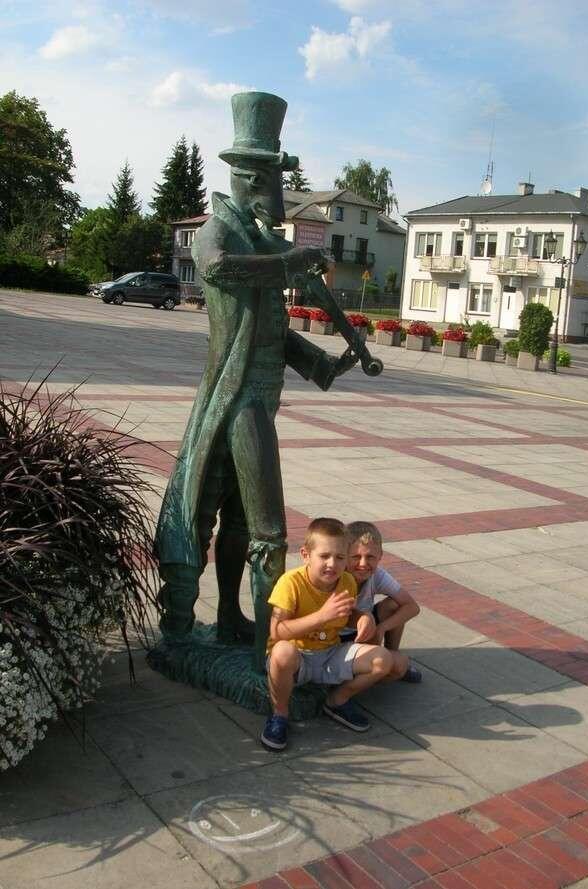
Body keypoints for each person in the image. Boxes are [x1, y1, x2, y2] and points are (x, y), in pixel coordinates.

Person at [153, 92, 358, 668]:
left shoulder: (260, 240)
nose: (279, 192)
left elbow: (272, 331)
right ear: (249, 178)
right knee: (266, 525)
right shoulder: (218, 232)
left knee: (240, 520)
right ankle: (273, 640)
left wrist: (321, 364)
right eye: (272, 179)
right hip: (237, 400)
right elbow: (216, 268)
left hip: (261, 397)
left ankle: (231, 618)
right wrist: (290, 262)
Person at [261, 517, 408, 751]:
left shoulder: (346, 580)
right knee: (282, 652)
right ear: (306, 555)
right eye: (324, 556)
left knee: (383, 660)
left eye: (340, 557)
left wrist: (361, 618)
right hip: (298, 656)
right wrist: (321, 616)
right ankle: (279, 714)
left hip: (330, 652)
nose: (332, 564)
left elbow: (346, 614)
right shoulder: (290, 583)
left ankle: (337, 700)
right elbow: (277, 631)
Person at [346, 521, 422, 684]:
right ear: (344, 555)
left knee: (395, 605)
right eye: (356, 557)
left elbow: (412, 607)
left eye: (370, 557)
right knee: (397, 666)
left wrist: (382, 628)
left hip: (366, 628)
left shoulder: (377, 575)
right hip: (337, 636)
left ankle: (390, 653)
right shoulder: (336, 576)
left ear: (380, 556)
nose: (363, 564)